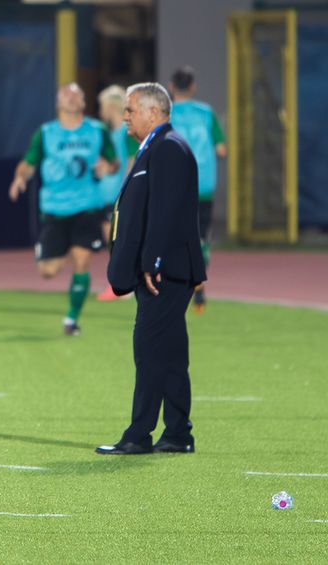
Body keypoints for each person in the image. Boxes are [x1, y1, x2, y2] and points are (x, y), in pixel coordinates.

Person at [96, 83, 206, 455]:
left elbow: (166, 213)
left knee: (149, 350)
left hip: (164, 271)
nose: (124, 117)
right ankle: (177, 433)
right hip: (166, 269)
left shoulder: (168, 148)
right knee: (171, 353)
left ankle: (139, 435)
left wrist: (152, 262)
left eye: (130, 110)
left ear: (153, 113)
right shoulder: (159, 147)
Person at [8, 83, 118, 336]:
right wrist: (20, 178)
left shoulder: (97, 130)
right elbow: (28, 163)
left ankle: (72, 319)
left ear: (83, 102)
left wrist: (108, 167)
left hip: (87, 207)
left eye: (76, 94)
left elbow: (113, 161)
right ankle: (52, 249)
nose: (71, 97)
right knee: (48, 271)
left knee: (82, 262)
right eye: (65, 94)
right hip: (55, 210)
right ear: (58, 103)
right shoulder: (46, 133)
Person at [169, 66, 227, 313]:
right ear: (193, 86)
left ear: (171, 87)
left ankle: (179, 283)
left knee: (175, 237)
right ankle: (199, 279)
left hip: (175, 184)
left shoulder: (166, 113)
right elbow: (222, 150)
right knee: (201, 235)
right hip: (203, 185)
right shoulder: (206, 113)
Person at [95, 85, 139, 302]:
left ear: (111, 106)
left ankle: (121, 285)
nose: (100, 110)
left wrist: (127, 190)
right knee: (114, 242)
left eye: (102, 105)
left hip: (117, 196)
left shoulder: (125, 131)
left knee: (116, 242)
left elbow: (132, 161)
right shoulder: (107, 132)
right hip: (105, 195)